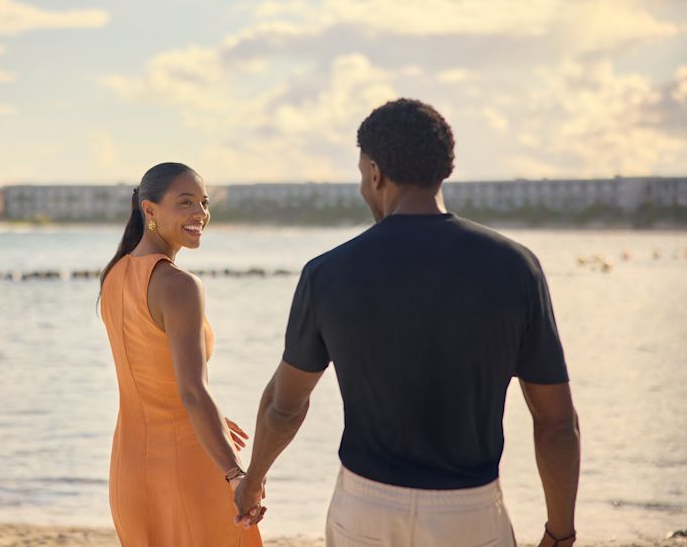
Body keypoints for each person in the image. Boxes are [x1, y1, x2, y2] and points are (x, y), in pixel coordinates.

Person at [233, 99, 581, 547]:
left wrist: (253, 480)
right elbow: (556, 424)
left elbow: (284, 406)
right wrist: (560, 533)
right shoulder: (516, 267)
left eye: (362, 174)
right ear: (443, 170)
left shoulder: (329, 273)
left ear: (375, 173)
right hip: (470, 509)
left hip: (366, 507)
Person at [99, 162, 263, 547]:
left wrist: (212, 422)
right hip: (187, 468)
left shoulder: (114, 276)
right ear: (150, 210)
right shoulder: (179, 285)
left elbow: (147, 370)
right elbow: (192, 390)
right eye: (185, 202)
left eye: (204, 203)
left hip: (130, 469)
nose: (200, 214)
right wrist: (236, 473)